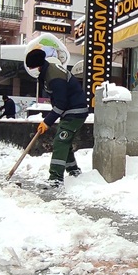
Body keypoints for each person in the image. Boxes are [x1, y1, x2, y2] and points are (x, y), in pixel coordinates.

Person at [23, 36, 88, 186]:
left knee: (60, 141)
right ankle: (74, 171)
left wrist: (47, 122)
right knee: (64, 140)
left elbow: (61, 104)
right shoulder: (49, 72)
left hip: (75, 112)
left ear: (36, 66)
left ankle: (55, 179)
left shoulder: (54, 76)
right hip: (71, 111)